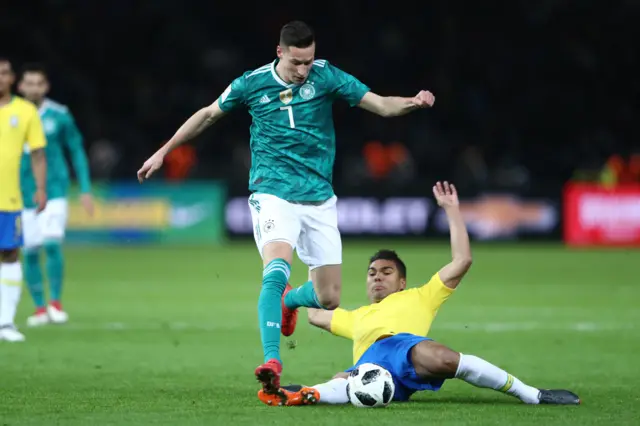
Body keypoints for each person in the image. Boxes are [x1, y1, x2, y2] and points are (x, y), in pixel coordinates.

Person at [136, 21, 436, 393]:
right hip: (272, 192)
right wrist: (164, 151)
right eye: (297, 62)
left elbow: (379, 105)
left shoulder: (326, 76)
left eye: (308, 62)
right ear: (280, 53)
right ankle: (272, 359)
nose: (303, 70)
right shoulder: (251, 83)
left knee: (328, 298)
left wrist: (412, 102)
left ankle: (291, 302)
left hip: (319, 198)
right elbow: (208, 114)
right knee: (275, 268)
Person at [258, 181, 580, 407]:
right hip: (379, 369)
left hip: (404, 348)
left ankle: (531, 394)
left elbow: (462, 260)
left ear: (402, 282)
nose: (377, 279)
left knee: (442, 358)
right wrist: (294, 293)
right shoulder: (355, 318)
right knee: (350, 379)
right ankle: (302, 394)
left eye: (386, 272)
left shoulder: (421, 295)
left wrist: (452, 210)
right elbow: (316, 311)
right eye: (372, 274)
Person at [18, 63, 94, 326]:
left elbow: (76, 150)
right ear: (21, 86)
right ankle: (39, 309)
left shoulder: (60, 115)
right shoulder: (11, 115)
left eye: (39, 83)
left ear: (46, 87)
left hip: (55, 189)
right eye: (29, 83)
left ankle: (56, 303)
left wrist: (84, 187)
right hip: (21, 191)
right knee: (29, 251)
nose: (34, 88)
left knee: (51, 243)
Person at [0, 57, 47, 342]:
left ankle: (5, 322)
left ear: (12, 79)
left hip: (9, 199)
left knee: (10, 255)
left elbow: (38, 153)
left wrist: (41, 189)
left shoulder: (26, 111)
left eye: (4, 73)